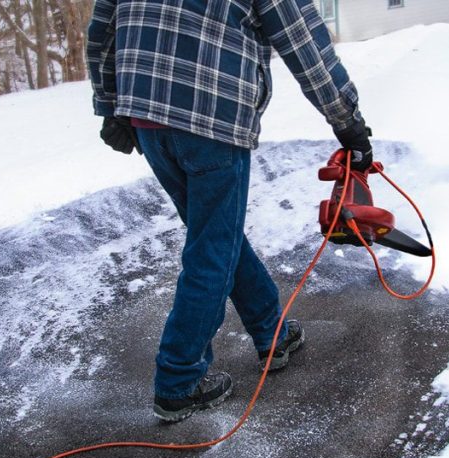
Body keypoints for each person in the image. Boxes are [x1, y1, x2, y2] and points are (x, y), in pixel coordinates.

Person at [86, 0, 372, 422]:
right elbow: (303, 43)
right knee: (212, 249)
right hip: (212, 118)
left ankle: (272, 332)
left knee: (215, 235)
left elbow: (102, 31)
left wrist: (109, 104)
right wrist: (348, 123)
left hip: (146, 117)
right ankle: (178, 380)